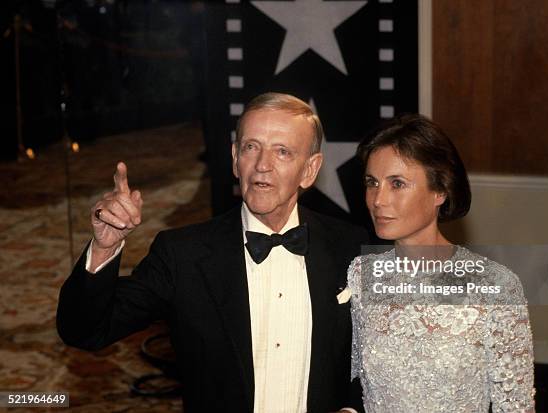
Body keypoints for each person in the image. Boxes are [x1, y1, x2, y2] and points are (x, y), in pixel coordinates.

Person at [57, 93, 368, 413]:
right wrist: (105, 246)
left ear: (309, 170)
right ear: (235, 158)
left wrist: (351, 409)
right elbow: (84, 331)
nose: (262, 165)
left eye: (282, 152)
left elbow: (388, 357)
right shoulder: (182, 254)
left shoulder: (353, 247)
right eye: (251, 147)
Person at [346, 114, 535, 412]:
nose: (378, 200)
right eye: (372, 182)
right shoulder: (360, 274)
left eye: (397, 183)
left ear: (440, 190)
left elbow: (515, 406)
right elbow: (352, 382)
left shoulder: (495, 286)